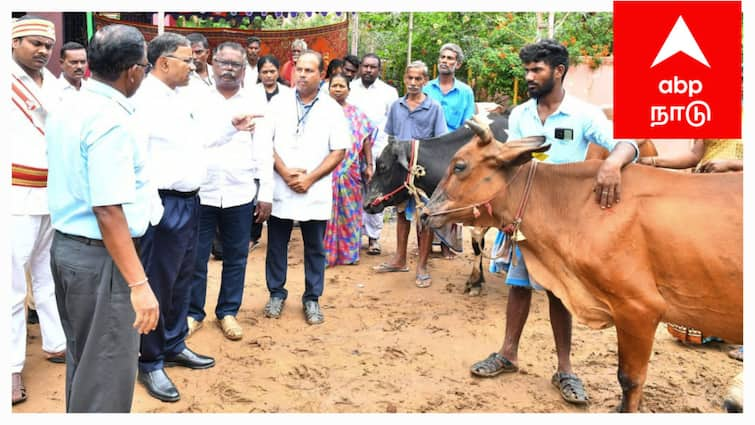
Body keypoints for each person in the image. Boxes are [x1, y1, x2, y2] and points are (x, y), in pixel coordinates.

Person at [472, 39, 638, 407]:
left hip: (565, 224)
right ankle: (508, 354)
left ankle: (565, 368)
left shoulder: (584, 114)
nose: (529, 77)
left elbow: (628, 141)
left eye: (537, 70)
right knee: (517, 284)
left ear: (558, 71)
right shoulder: (520, 115)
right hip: (525, 216)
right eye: (527, 70)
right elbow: (511, 163)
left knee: (558, 292)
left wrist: (612, 164)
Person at [46, 23, 160, 413]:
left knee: (86, 363)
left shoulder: (72, 106)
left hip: (70, 251)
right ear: (132, 71)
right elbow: (108, 209)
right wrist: (139, 284)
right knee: (108, 375)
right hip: (102, 259)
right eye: (145, 67)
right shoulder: (109, 119)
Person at [130, 32, 220, 403]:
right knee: (159, 283)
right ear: (164, 62)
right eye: (188, 60)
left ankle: (173, 344)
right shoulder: (144, 100)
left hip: (191, 200)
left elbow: (200, 140)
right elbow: (137, 158)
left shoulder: (182, 96)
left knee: (184, 277)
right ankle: (149, 360)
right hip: (162, 205)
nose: (194, 66)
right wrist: (153, 210)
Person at [256, 50, 350, 325]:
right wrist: (284, 172)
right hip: (281, 186)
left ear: (322, 75)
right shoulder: (278, 103)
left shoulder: (331, 107)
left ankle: (312, 298)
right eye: (299, 69)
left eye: (309, 70)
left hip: (315, 188)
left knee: (314, 247)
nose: (302, 74)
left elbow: (339, 150)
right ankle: (276, 293)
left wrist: (310, 178)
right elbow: (265, 142)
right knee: (276, 244)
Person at [187, 42, 271, 341]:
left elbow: (264, 151)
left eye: (236, 65)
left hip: (240, 192)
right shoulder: (197, 98)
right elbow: (192, 141)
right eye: (223, 62)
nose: (229, 69)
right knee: (195, 257)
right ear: (212, 62)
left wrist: (266, 194)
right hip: (202, 191)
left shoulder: (255, 102)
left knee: (236, 256)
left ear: (244, 68)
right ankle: (193, 313)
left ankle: (227, 312)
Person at [638, 138, 743, 361]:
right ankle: (714, 329)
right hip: (706, 197)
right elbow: (695, 155)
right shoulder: (714, 108)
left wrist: (732, 165)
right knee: (711, 264)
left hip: (741, 198)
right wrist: (652, 161)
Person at [10, 15, 67, 406]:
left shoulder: (59, 85)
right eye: (35, 43)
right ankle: (10, 367)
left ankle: (55, 341)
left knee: (49, 274)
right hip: (12, 196)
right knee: (11, 287)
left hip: (53, 195)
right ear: (14, 43)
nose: (43, 51)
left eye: (47, 46)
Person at [372, 60, 448, 288]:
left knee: (425, 217)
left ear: (425, 81)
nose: (413, 83)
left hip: (423, 171)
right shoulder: (397, 106)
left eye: (418, 79)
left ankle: (422, 265)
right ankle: (399, 258)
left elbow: (439, 141)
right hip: (400, 171)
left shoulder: (434, 107)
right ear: (405, 79)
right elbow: (392, 137)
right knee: (401, 213)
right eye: (410, 78)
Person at [423, 42, 477, 259]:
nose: (445, 61)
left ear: (458, 64)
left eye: (450, 58)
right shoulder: (426, 89)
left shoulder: (465, 92)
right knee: (427, 197)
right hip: (428, 150)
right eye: (442, 57)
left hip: (453, 152)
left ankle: (448, 246)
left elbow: (468, 125)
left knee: (452, 197)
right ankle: (426, 245)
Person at [348, 53, 399, 256]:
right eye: (366, 66)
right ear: (360, 67)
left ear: (379, 69)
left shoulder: (389, 92)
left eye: (373, 67)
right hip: (351, 153)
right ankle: (354, 237)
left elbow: (393, 124)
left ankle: (373, 238)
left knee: (376, 193)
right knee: (353, 195)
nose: (369, 70)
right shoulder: (350, 89)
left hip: (378, 151)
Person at [324, 73, 376, 266]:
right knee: (325, 213)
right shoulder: (321, 111)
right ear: (328, 89)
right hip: (325, 170)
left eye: (341, 86)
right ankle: (326, 254)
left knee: (351, 211)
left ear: (348, 90)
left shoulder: (357, 114)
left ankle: (348, 254)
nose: (337, 89)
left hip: (351, 171)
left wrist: (369, 165)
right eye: (334, 86)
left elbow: (366, 141)